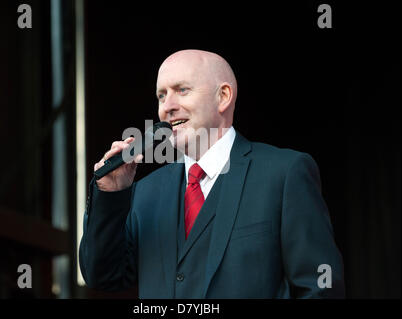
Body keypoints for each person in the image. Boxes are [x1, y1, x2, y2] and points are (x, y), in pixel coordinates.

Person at [79, 49, 345, 298]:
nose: (167, 106)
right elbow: (103, 276)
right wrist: (111, 196)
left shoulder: (284, 174)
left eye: (182, 90)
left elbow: (319, 287)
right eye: (161, 95)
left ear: (224, 96)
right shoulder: (146, 191)